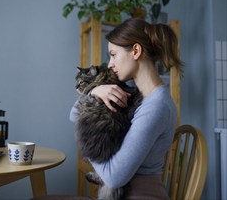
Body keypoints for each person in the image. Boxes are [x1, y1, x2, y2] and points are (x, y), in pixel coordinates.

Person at [69, 18, 184, 199]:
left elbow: (113, 177)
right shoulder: (134, 94)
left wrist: (89, 146)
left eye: (113, 55)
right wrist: (94, 92)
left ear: (136, 51)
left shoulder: (156, 106)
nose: (110, 64)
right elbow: (74, 113)